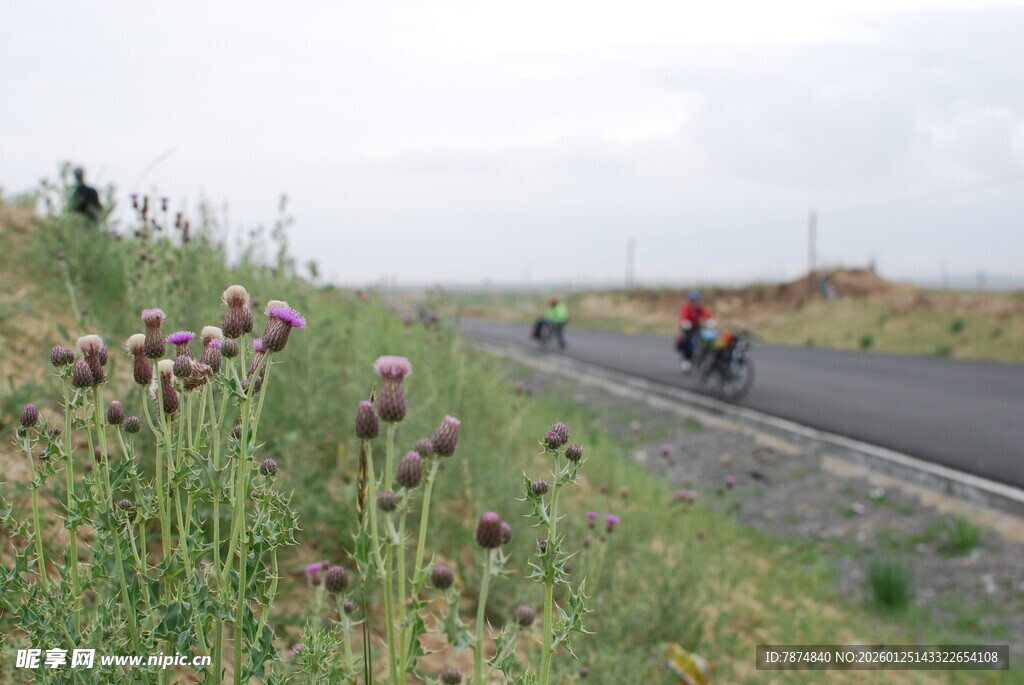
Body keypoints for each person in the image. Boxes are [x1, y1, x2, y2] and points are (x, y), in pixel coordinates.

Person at [677, 291, 714, 371]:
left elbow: (707, 314)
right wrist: (685, 322)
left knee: (704, 340)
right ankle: (686, 359)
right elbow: (683, 316)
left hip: (697, 326)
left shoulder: (699, 308)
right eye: (692, 300)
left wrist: (710, 320)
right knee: (687, 342)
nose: (694, 303)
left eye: (695, 300)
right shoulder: (686, 307)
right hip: (688, 328)